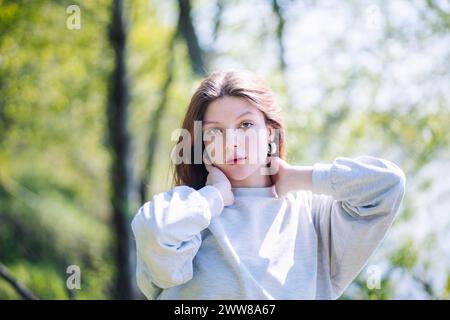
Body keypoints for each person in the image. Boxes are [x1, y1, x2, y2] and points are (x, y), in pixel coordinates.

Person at [131, 70, 406, 299]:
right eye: (215, 131)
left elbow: (387, 185)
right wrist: (213, 197)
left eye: (246, 125)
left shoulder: (313, 217)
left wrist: (299, 178)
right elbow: (152, 232)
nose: (232, 142)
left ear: (270, 131)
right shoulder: (190, 212)